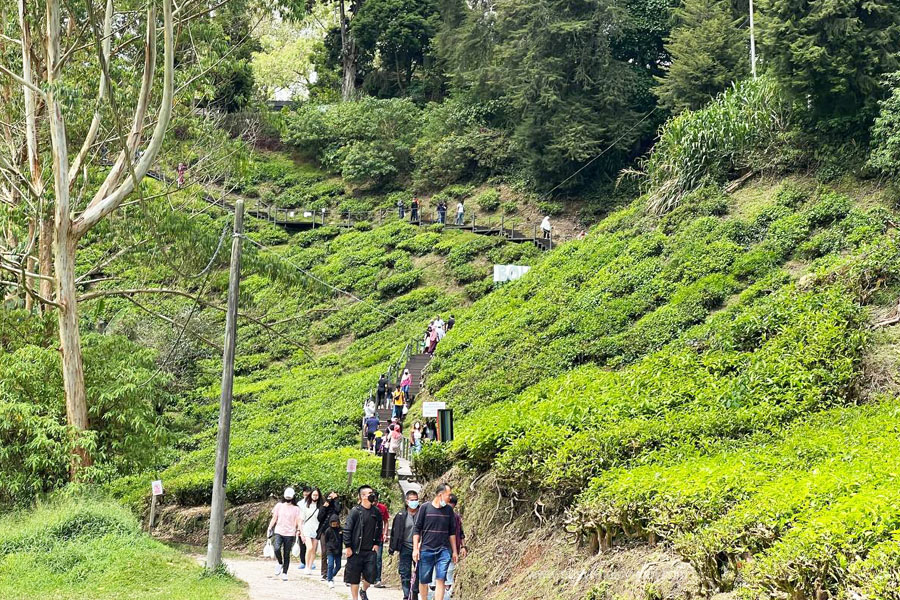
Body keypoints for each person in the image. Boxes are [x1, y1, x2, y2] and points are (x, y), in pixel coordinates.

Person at [413, 483, 459, 600]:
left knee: (441, 579)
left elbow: (452, 532)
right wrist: (415, 549)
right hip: (426, 549)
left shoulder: (449, 510)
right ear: (440, 494)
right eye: (448, 495)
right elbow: (417, 529)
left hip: (443, 550)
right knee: (424, 580)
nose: (450, 498)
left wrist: (454, 551)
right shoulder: (425, 507)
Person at [343, 485, 383, 600]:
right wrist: (348, 546)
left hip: (370, 551)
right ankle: (355, 598)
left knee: (370, 577)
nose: (372, 495)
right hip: (356, 550)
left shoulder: (376, 511)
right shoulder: (355, 511)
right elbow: (347, 529)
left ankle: (363, 590)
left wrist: (376, 543)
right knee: (354, 578)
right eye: (370, 493)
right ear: (363, 496)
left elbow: (379, 527)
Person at [389, 490, 421, 600]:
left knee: (419, 572)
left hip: (419, 548)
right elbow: (394, 532)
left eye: (416, 500)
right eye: (412, 500)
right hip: (405, 547)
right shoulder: (401, 515)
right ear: (407, 501)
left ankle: (415, 593)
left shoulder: (422, 514)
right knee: (404, 572)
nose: (414, 502)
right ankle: (407, 594)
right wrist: (392, 548)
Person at [267, 487, 301, 581]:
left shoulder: (296, 508)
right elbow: (274, 517)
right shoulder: (279, 506)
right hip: (279, 531)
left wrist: (298, 530)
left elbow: (298, 521)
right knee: (277, 548)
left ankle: (285, 572)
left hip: (290, 533)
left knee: (287, 553)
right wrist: (270, 527)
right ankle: (280, 562)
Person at [444, 494, 467, 599]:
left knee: (449, 574)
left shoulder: (456, 517)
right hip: (439, 549)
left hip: (453, 550)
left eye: (451, 506)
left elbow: (461, 533)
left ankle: (446, 597)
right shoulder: (439, 515)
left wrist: (463, 546)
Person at [318, 491, 343, 580]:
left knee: (336, 551)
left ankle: (331, 573)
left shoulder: (336, 504)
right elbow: (319, 518)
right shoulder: (324, 505)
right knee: (325, 552)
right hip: (324, 531)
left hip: (335, 531)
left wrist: (336, 499)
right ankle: (324, 572)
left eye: (332, 496)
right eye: (329, 496)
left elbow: (338, 510)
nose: (330, 498)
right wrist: (324, 507)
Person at [300, 488, 322, 575]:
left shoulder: (320, 507)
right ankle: (306, 566)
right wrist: (301, 532)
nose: (315, 496)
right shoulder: (306, 506)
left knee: (313, 550)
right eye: (314, 495)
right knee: (309, 548)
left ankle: (309, 566)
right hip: (307, 529)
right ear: (311, 495)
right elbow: (301, 520)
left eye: (317, 495)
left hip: (316, 529)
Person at [373, 491, 390, 588]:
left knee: (378, 558)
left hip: (379, 537)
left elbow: (386, 521)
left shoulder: (382, 508)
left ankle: (377, 579)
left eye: (376, 500)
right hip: (367, 538)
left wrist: (385, 533)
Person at [322, 513, 343, 588]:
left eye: (335, 523)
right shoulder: (328, 530)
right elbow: (326, 540)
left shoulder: (341, 530)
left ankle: (330, 575)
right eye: (332, 523)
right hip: (330, 550)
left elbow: (343, 539)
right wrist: (328, 548)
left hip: (338, 550)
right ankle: (330, 580)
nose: (334, 525)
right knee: (330, 565)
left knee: (338, 566)